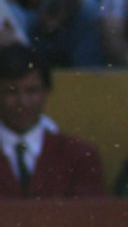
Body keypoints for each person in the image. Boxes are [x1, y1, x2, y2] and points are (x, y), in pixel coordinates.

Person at [0, 41, 105, 197]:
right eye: (11, 91)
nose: (23, 102)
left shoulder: (79, 156)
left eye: (32, 91)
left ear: (45, 92)